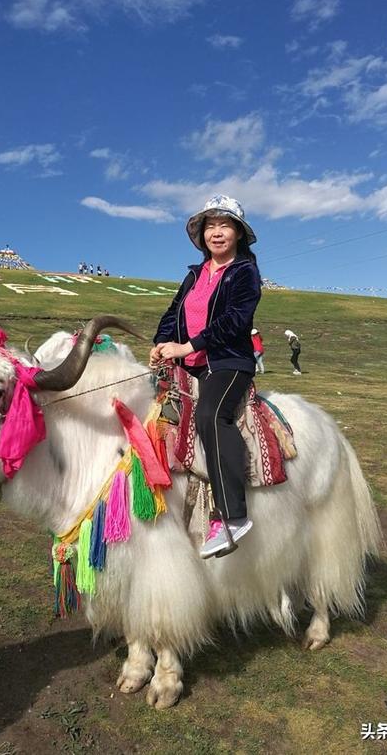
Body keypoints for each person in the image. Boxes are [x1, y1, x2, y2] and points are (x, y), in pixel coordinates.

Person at [150, 195, 261, 559]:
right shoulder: (195, 274)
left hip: (228, 361)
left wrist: (187, 346)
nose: (216, 232)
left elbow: (235, 321)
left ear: (238, 234)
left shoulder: (244, 272)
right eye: (210, 226)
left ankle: (232, 517)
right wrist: (161, 342)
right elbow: (173, 313)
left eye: (224, 225)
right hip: (190, 363)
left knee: (211, 416)